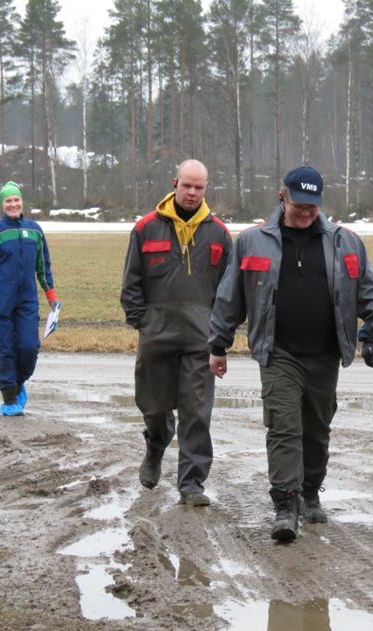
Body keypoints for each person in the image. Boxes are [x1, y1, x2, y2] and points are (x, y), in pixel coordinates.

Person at [208, 166, 373, 542]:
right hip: (278, 352)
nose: (306, 212)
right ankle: (285, 504)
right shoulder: (253, 241)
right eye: (299, 205)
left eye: (313, 206)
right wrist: (218, 344)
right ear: (283, 198)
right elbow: (231, 297)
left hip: (326, 354)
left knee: (316, 430)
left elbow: (370, 290)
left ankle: (311, 492)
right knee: (283, 428)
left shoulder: (345, 241)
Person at [120, 159, 232, 506]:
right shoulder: (146, 228)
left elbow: (229, 290)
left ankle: (191, 484)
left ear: (206, 188)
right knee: (153, 408)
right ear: (175, 184)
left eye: (199, 187)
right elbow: (131, 284)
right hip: (157, 337)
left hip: (202, 340)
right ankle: (155, 446)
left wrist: (220, 332)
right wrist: (146, 322)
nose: (192, 193)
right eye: (187, 185)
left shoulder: (219, 233)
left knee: (197, 413)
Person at [0, 181, 59, 416]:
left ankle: (17, 382)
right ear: (2, 204)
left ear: (22, 201)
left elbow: (44, 265)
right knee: (7, 349)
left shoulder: (35, 230)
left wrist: (51, 295)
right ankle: (9, 397)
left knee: (29, 347)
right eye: (8, 200)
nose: (13, 204)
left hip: (27, 300)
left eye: (16, 199)